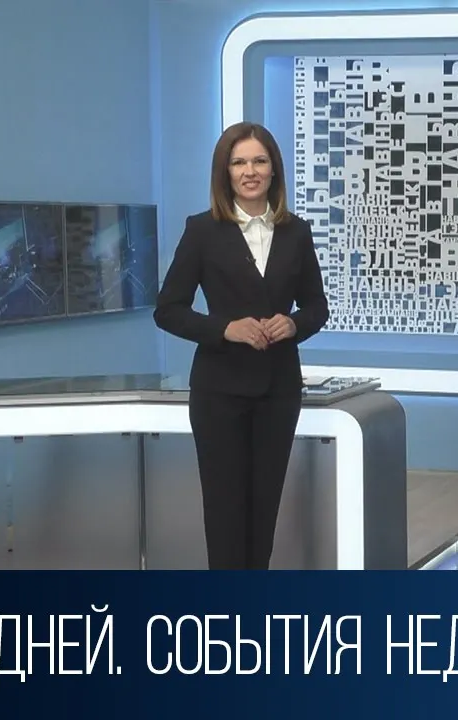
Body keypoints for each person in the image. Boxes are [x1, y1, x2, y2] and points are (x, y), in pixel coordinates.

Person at [154, 122, 329, 570]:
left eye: (259, 161)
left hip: (278, 391)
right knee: (225, 514)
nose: (250, 171)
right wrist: (224, 329)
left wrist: (293, 324)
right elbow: (168, 309)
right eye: (239, 162)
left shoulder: (297, 232)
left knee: (263, 512)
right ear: (225, 172)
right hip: (219, 392)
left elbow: (317, 307)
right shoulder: (202, 230)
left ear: (274, 170)